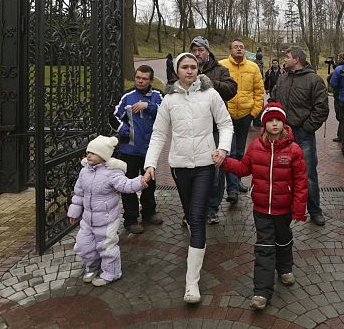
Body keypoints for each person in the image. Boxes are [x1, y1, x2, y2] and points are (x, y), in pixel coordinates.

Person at [143, 53, 234, 304]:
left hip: (206, 163)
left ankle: (191, 282)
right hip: (179, 166)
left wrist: (223, 148)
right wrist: (150, 164)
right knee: (190, 214)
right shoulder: (168, 99)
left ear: (198, 70)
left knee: (197, 216)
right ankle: (195, 253)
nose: (190, 71)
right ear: (177, 70)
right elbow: (159, 134)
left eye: (194, 67)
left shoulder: (211, 94)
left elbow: (226, 124)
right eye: (185, 67)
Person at [217, 102, 307, 311]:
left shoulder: (294, 150)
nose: (275, 124)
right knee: (264, 247)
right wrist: (224, 162)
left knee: (283, 240)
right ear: (264, 124)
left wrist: (299, 207)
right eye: (270, 120)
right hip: (261, 209)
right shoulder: (255, 147)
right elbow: (242, 168)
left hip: (284, 208)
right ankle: (261, 292)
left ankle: (285, 268)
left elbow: (301, 181)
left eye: (278, 120)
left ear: (283, 123)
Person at [68, 135, 147, 286]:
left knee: (107, 247)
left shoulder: (112, 173)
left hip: (107, 219)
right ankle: (93, 264)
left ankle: (112, 272)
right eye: (88, 152)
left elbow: (126, 185)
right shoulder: (84, 172)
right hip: (88, 219)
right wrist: (74, 211)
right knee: (83, 244)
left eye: (93, 153)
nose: (89, 155)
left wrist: (140, 182)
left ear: (103, 155)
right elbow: (79, 193)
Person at [268, 46, 329, 226]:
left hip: (303, 134)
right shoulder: (283, 77)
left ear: (297, 59)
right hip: (282, 133)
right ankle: (282, 210)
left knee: (308, 174)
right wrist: (274, 119)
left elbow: (321, 108)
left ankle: (315, 210)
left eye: (287, 57)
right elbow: (273, 98)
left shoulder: (314, 80)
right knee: (280, 172)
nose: (284, 60)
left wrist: (307, 128)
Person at [187, 35, 238, 225]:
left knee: (216, 171)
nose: (197, 53)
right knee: (193, 170)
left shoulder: (220, 70)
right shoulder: (186, 68)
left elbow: (232, 89)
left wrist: (211, 83)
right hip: (193, 128)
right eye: (194, 50)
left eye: (200, 50)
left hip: (215, 127)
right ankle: (193, 209)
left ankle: (211, 209)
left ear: (207, 51)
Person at [111, 65, 164, 234]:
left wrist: (147, 105)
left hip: (150, 150)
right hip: (130, 150)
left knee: (150, 183)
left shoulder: (157, 95)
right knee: (128, 185)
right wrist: (126, 131)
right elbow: (113, 117)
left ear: (150, 80)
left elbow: (165, 112)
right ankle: (131, 219)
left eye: (144, 78)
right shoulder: (127, 96)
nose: (140, 81)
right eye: (138, 78)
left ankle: (149, 212)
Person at [220, 38, 264, 204]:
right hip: (226, 115)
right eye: (236, 47)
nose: (239, 49)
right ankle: (231, 189)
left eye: (242, 47)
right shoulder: (222, 65)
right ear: (230, 49)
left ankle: (237, 181)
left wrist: (254, 113)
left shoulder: (253, 67)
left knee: (240, 152)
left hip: (245, 115)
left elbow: (259, 91)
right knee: (229, 151)